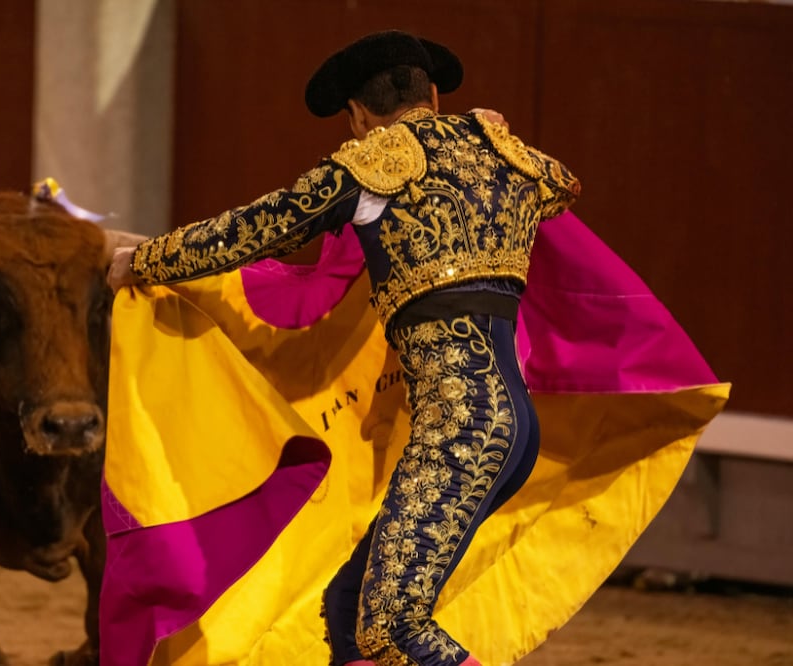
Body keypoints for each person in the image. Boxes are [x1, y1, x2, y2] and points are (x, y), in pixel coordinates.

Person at [108, 29, 580, 666]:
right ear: (433, 94)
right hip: (514, 429)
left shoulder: (372, 166)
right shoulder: (503, 153)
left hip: (459, 434)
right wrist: (496, 133)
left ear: (358, 115)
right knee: (349, 605)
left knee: (392, 628)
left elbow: (251, 232)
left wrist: (147, 260)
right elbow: (562, 185)